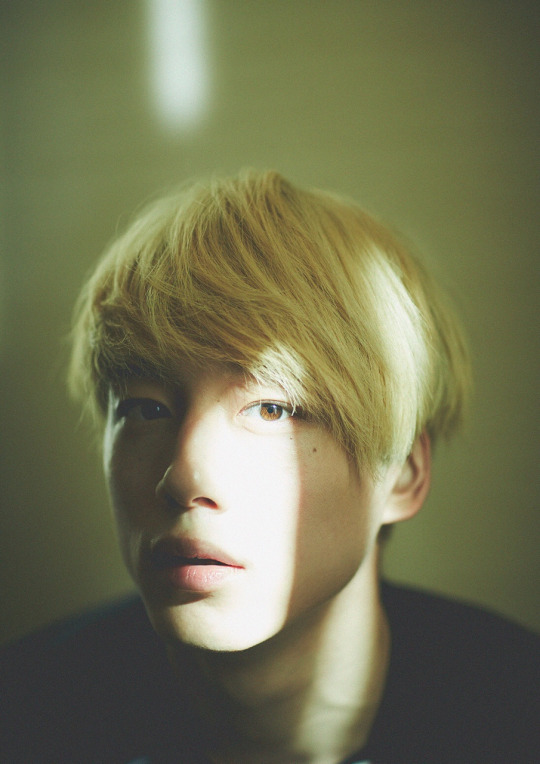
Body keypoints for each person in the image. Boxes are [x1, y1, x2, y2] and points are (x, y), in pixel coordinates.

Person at [1, 170, 538, 763]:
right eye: (146, 408)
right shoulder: (28, 713)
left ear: (404, 474)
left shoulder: (516, 712)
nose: (185, 478)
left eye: (272, 408)